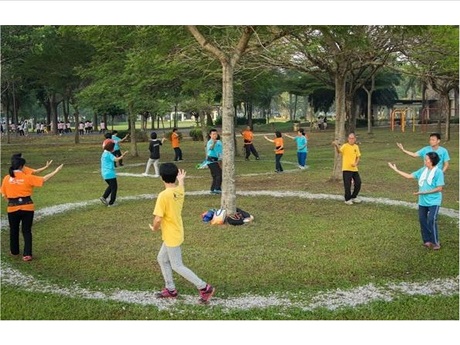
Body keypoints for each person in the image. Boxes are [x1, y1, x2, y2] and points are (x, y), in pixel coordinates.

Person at [149, 163, 215, 303]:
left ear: (162, 178)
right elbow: (181, 187)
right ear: (175, 176)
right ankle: (170, 289)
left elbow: (158, 218)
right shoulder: (179, 191)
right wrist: (182, 180)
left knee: (177, 265)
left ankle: (204, 287)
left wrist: (154, 228)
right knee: (162, 259)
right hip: (174, 232)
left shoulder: (163, 195)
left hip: (172, 235)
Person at [1, 157, 63, 261]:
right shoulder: (27, 177)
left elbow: (3, 194)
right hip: (27, 207)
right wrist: (56, 171)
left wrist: (11, 202)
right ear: (21, 166)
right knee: (26, 231)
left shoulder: (7, 178)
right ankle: (27, 254)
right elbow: (43, 179)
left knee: (13, 230)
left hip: (12, 208)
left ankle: (14, 251)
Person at [388, 152, 444, 250]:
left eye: (426, 159)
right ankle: (427, 241)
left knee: (431, 220)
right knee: (422, 220)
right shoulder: (422, 170)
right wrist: (395, 169)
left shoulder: (438, 172)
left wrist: (423, 193)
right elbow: (409, 176)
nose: (424, 161)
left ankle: (435, 242)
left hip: (434, 201)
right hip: (422, 202)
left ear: (432, 161)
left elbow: (439, 188)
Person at [332, 133, 362, 205]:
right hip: (346, 169)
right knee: (347, 184)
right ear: (348, 139)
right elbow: (339, 151)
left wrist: (356, 163)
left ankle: (354, 196)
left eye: (352, 138)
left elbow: (358, 157)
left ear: (355, 139)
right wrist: (336, 145)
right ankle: (347, 199)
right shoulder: (345, 146)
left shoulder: (356, 147)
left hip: (354, 169)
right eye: (349, 138)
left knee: (358, 183)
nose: (351, 140)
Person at [100, 141, 128, 207]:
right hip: (110, 173)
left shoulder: (103, 154)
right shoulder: (109, 154)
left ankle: (104, 197)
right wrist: (123, 155)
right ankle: (111, 203)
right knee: (114, 188)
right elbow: (116, 160)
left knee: (111, 186)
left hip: (104, 173)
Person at [206, 128, 223, 194]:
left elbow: (220, 151)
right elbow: (211, 148)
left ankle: (213, 189)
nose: (214, 135)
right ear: (210, 135)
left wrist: (221, 160)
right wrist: (214, 143)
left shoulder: (219, 142)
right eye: (213, 134)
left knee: (215, 176)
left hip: (217, 160)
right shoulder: (209, 142)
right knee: (219, 174)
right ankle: (216, 188)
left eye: (215, 134)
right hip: (211, 161)